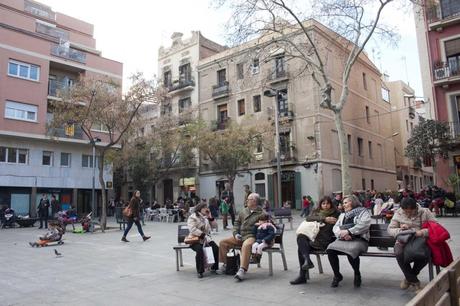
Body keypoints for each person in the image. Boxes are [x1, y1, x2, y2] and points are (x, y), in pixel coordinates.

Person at [388, 197, 435, 292]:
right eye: (406, 211)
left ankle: (409, 278)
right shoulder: (398, 213)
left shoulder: (425, 212)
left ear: (415, 207)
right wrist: (401, 230)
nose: (409, 213)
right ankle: (415, 281)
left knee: (424, 255)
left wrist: (421, 232)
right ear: (402, 209)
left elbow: (435, 227)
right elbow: (390, 229)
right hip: (403, 240)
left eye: (411, 211)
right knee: (398, 253)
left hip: (420, 240)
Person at [290, 196, 340, 285]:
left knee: (301, 248)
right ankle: (306, 265)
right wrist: (324, 219)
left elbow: (335, 224)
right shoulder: (317, 212)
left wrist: (328, 220)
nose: (326, 205)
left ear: (331, 204)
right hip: (313, 237)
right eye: (323, 203)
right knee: (301, 237)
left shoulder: (335, 213)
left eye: (328, 203)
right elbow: (308, 218)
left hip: (325, 241)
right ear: (320, 205)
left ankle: (304, 272)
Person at [326, 195, 371, 288]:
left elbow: (364, 225)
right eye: (343, 203)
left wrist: (349, 232)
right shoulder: (342, 215)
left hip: (359, 239)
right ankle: (337, 275)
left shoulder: (363, 212)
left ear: (353, 202)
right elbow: (336, 227)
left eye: (346, 202)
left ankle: (357, 274)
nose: (344, 205)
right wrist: (342, 234)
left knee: (350, 250)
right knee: (330, 249)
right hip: (343, 239)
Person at [217, 192, 264, 281]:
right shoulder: (244, 211)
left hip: (252, 236)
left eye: (249, 199)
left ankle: (242, 269)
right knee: (223, 242)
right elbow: (237, 223)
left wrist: (262, 224)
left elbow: (270, 222)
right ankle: (227, 265)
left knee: (246, 245)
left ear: (254, 201)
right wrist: (235, 233)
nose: (247, 201)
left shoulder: (261, 213)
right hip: (241, 236)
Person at [187, 203, 219, 278]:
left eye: (207, 207)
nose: (206, 209)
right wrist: (203, 235)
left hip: (206, 239)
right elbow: (192, 229)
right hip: (195, 239)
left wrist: (210, 217)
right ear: (199, 209)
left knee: (216, 248)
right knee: (200, 250)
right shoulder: (193, 217)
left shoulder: (206, 217)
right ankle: (200, 271)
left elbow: (215, 226)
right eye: (204, 208)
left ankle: (214, 268)